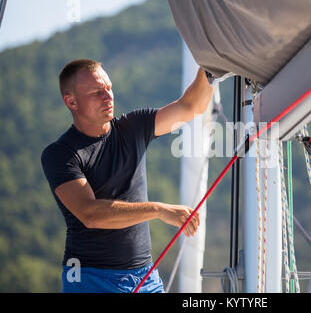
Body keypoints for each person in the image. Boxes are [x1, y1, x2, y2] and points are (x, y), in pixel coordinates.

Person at [41, 59, 214, 293]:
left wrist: (211, 63)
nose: (108, 96)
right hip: (90, 279)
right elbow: (90, 214)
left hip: (145, 275)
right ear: (71, 101)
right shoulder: (60, 154)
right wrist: (158, 209)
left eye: (109, 88)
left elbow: (190, 107)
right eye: (97, 92)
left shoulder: (133, 126)